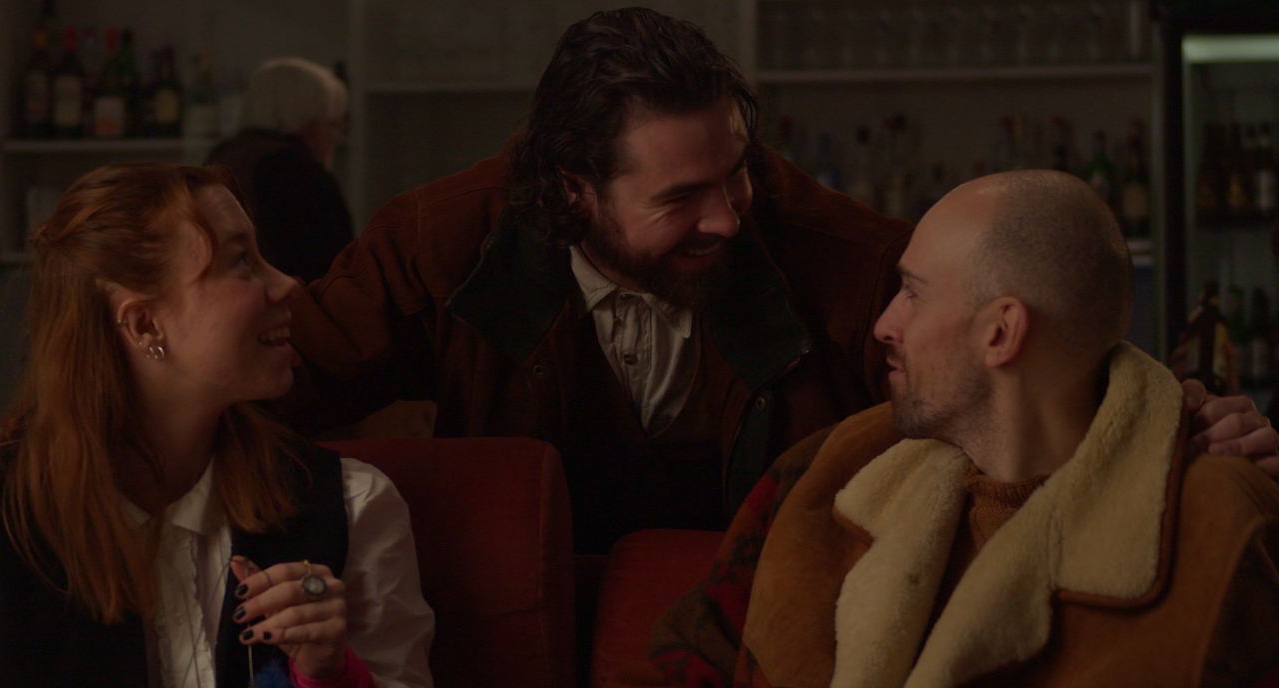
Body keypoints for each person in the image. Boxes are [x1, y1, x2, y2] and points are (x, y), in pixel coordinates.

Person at [281, 7, 1278, 553]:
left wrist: (1171, 422)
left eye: (738, 171)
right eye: (682, 197)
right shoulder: (439, 242)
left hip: (755, 624)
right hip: (515, 640)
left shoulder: (823, 243)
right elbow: (281, 385)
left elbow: (1000, 362)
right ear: (574, 188)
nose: (728, 216)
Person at [607, 170, 1279, 688]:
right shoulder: (825, 474)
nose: (884, 324)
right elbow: (685, 673)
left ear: (1001, 333)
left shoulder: (1211, 515)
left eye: (912, 294)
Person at [0, 162, 463, 688]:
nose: (289, 285)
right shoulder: (1, 505)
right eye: (242, 262)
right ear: (144, 325)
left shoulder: (349, 503)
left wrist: (332, 682)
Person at [206, 58, 353, 284]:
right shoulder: (297, 171)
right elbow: (333, 270)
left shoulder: (223, 154)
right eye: (333, 124)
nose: (334, 136)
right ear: (311, 127)